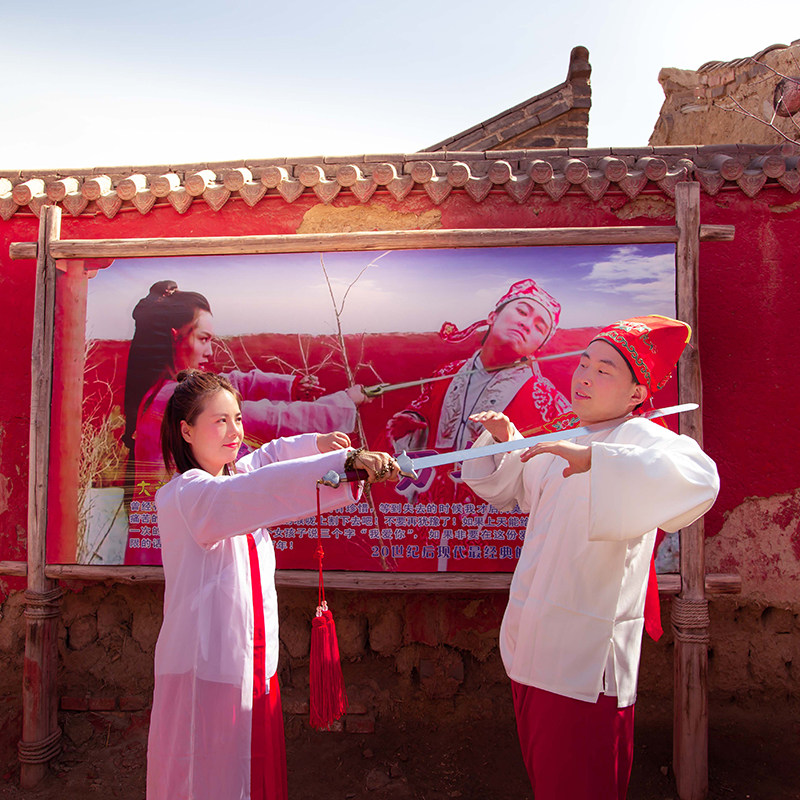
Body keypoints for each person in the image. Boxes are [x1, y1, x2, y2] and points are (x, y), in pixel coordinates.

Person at [462, 315, 720, 800]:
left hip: (585, 660)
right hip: (532, 638)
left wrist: (598, 462)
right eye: (583, 362)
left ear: (636, 394)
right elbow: (499, 487)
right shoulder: (567, 434)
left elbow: (702, 481)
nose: (584, 375)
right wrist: (504, 439)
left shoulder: (642, 439)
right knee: (548, 781)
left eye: (604, 370)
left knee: (583, 784)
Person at [147, 370, 399, 800]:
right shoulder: (189, 494)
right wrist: (341, 467)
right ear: (186, 431)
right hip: (206, 670)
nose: (235, 431)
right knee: (208, 781)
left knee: (249, 773)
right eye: (220, 421)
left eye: (239, 418)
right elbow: (259, 488)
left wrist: (318, 445)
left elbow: (263, 462)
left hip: (249, 663)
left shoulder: (230, 478)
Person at [123, 285, 369, 564]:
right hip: (174, 560)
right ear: (175, 337)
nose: (210, 351)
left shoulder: (163, 392)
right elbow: (268, 420)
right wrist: (340, 405)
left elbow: (234, 384)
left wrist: (290, 386)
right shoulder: (172, 403)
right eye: (203, 339)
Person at [384, 278, 570, 571]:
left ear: (540, 345)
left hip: (491, 528)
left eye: (539, 327)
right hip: (429, 516)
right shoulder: (445, 375)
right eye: (522, 312)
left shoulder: (544, 398)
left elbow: (563, 463)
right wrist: (404, 433)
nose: (527, 325)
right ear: (493, 316)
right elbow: (418, 428)